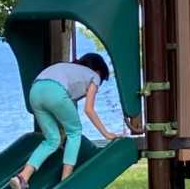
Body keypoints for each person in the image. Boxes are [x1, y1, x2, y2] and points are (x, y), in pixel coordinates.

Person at [9, 54, 121, 189]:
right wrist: (106, 133)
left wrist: (62, 130)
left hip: (35, 92)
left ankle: (22, 177)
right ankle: (65, 181)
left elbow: (66, 109)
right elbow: (89, 109)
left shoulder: (69, 71)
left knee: (52, 140)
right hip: (56, 92)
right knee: (75, 132)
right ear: (98, 71)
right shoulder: (94, 76)